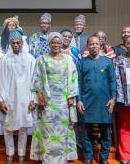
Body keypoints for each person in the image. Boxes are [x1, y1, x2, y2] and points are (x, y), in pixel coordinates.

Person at [30, 32, 79, 164]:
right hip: (47, 101)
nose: (56, 45)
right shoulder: (41, 59)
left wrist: (71, 96)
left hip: (63, 101)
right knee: (47, 129)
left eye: (58, 42)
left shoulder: (68, 59)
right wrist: (40, 96)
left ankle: (61, 159)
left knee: (62, 131)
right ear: (49, 44)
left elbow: (73, 78)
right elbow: (37, 79)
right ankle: (47, 159)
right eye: (53, 42)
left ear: (62, 43)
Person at [0, 27, 36, 164]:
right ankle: (9, 154)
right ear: (10, 44)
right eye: (13, 43)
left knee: (23, 128)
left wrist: (33, 99)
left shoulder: (30, 59)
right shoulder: (5, 59)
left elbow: (35, 81)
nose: (16, 45)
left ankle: (22, 155)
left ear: (22, 43)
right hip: (9, 99)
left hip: (25, 99)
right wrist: (0, 100)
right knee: (8, 128)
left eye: (18, 43)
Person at [77, 36, 117, 164]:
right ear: (87, 46)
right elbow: (77, 82)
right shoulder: (82, 62)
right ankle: (88, 157)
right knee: (86, 133)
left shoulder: (107, 62)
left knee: (105, 133)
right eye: (91, 44)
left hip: (105, 103)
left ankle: (104, 158)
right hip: (86, 102)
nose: (94, 46)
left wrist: (113, 98)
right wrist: (79, 100)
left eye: (96, 44)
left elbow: (113, 81)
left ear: (100, 45)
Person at [114, 36, 130, 164]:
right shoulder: (119, 60)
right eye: (128, 43)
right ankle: (125, 156)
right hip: (126, 101)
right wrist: (121, 98)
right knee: (125, 128)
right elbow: (117, 80)